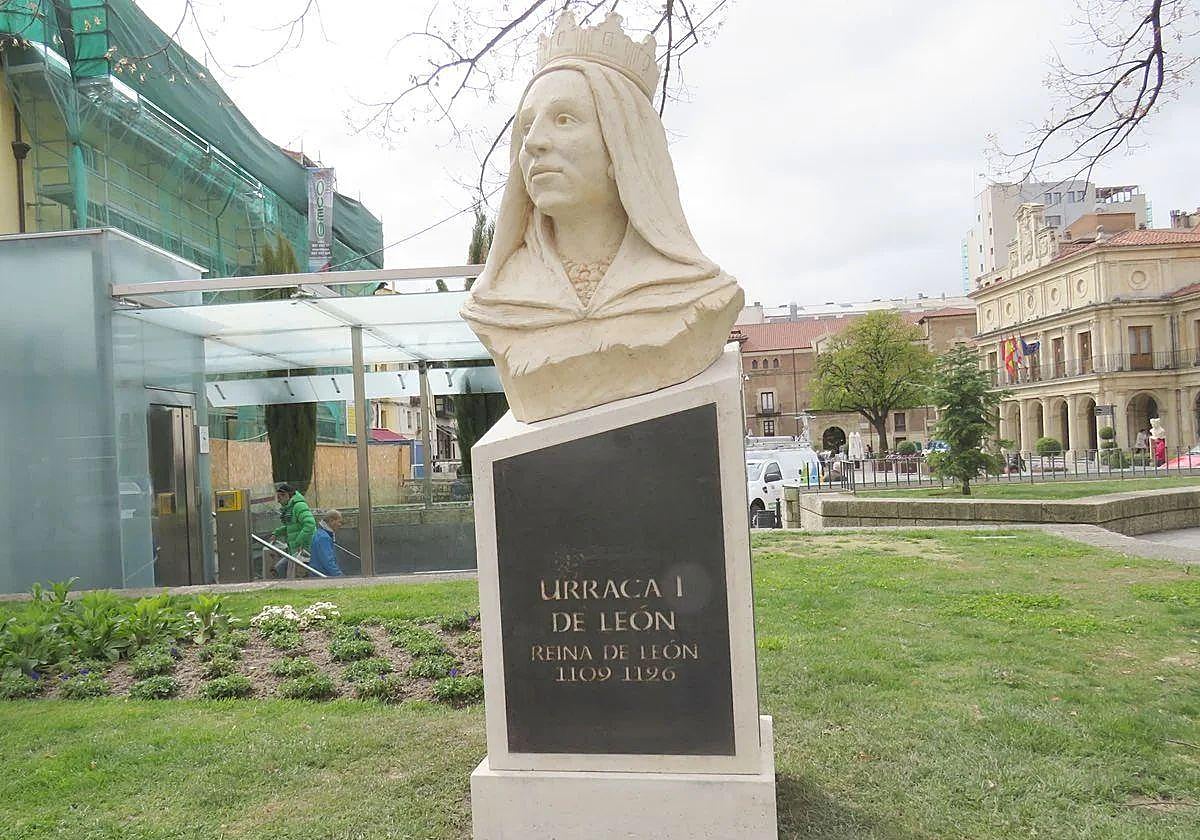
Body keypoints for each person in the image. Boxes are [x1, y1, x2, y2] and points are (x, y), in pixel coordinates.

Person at [460, 12, 744, 422]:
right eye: (527, 126)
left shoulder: (696, 292)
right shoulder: (497, 303)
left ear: (623, 145)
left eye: (564, 119)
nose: (534, 142)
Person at [271, 482, 316, 577]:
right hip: (296, 550)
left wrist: (298, 542)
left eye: (279, 497)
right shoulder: (291, 508)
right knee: (283, 570)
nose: (278, 501)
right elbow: (292, 526)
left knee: (297, 575)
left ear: (287, 495)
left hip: (304, 549)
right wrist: (277, 532)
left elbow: (310, 524)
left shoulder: (299, 506)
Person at [308, 510, 346, 577]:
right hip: (322, 576)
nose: (340, 525)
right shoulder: (324, 538)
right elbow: (328, 562)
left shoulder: (320, 533)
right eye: (339, 522)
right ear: (331, 521)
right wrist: (340, 576)